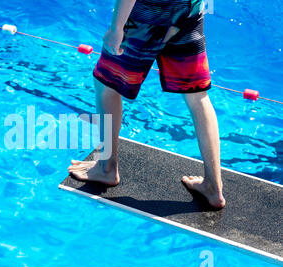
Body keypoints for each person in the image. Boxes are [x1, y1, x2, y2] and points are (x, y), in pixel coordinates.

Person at [68, 0, 226, 209]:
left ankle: (107, 168)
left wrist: (116, 28)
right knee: (197, 96)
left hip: (151, 11)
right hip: (190, 8)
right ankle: (214, 187)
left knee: (106, 83)